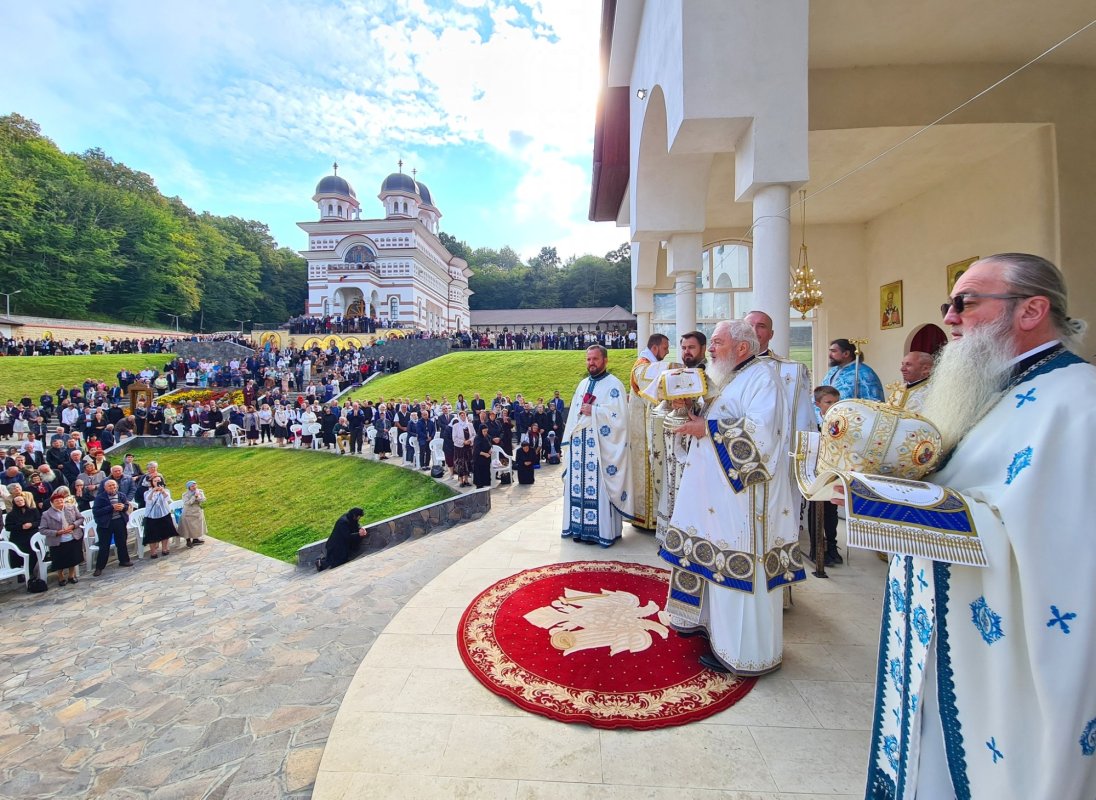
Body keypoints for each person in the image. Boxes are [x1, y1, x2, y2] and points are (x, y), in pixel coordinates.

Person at [851, 254, 1096, 798]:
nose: (950, 317)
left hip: (1002, 653)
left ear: (1031, 310)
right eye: (950, 303)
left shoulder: (1078, 403)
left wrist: (895, 506)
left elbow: (1064, 548)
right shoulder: (989, 388)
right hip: (943, 623)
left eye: (965, 302)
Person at [659, 320, 804, 675]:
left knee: (736, 570)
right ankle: (710, 629)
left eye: (717, 343)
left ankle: (743, 654)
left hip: (742, 504)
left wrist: (705, 428)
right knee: (710, 563)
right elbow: (721, 418)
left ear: (741, 347)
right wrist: (694, 415)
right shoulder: (732, 376)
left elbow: (762, 437)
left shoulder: (762, 378)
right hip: (716, 498)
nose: (710, 349)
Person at [560, 345, 632, 546]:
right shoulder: (582, 384)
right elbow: (574, 415)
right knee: (578, 487)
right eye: (588, 359)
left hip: (600, 450)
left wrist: (595, 410)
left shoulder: (614, 385)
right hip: (579, 450)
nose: (591, 363)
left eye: (595, 359)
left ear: (605, 360)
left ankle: (599, 532)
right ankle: (578, 528)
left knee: (598, 489)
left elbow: (620, 418)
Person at [627, 333, 671, 530]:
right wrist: (675, 369)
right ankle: (647, 517)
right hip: (643, 433)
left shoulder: (649, 365)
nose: (667, 352)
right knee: (646, 471)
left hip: (648, 429)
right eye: (665, 348)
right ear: (654, 348)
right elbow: (650, 383)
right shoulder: (642, 366)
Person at [806, 386, 841, 567]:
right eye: (828, 402)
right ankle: (817, 548)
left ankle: (832, 546)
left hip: (833, 470)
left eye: (836, 402)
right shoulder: (812, 422)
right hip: (816, 471)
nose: (833, 406)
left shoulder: (841, 422)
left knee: (831, 510)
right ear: (818, 403)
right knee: (816, 509)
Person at [40, 489, 85, 587]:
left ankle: (71, 575)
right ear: (52, 503)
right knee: (59, 561)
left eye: (61, 500)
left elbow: (81, 518)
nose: (60, 502)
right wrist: (57, 532)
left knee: (73, 558)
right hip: (57, 541)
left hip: (72, 537)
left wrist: (73, 525)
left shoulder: (71, 507)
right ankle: (60, 577)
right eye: (57, 501)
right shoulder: (46, 514)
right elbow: (42, 530)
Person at [91, 479, 134, 576]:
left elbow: (127, 506)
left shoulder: (121, 495)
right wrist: (111, 507)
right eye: (110, 486)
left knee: (122, 542)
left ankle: (124, 560)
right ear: (105, 488)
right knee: (104, 546)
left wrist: (123, 507)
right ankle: (99, 567)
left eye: (114, 485)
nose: (112, 487)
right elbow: (96, 512)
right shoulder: (100, 498)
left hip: (119, 521)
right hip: (105, 524)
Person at [4, 491, 40, 581]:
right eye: (18, 501)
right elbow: (8, 527)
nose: (20, 502)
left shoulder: (33, 511)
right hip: (18, 537)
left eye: (21, 500)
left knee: (33, 551)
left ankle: (30, 571)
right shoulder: (11, 515)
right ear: (14, 503)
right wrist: (21, 526)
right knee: (16, 553)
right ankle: (20, 573)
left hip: (32, 535)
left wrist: (31, 524)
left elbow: (39, 521)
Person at [142, 474, 177, 558]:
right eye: (155, 481)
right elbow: (148, 500)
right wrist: (153, 491)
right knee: (152, 534)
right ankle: (153, 552)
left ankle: (165, 549)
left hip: (164, 514)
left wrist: (162, 491)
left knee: (165, 532)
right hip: (152, 516)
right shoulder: (147, 492)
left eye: (158, 481)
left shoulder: (165, 491)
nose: (157, 482)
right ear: (152, 482)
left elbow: (167, 499)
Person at [178, 480, 207, 547]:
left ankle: (195, 539)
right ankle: (188, 541)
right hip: (188, 512)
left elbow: (203, 499)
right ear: (189, 487)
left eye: (195, 485)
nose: (194, 487)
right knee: (187, 527)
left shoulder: (200, 491)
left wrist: (198, 496)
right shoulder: (185, 494)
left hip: (197, 511)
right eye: (192, 486)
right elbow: (187, 503)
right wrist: (194, 497)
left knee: (196, 526)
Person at [451, 410, 474, 486]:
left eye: (464, 415)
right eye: (461, 415)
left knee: (467, 463)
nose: (463, 417)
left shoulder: (470, 425)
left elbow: (474, 435)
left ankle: (466, 480)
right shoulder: (456, 426)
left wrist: (470, 440)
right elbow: (454, 438)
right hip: (459, 448)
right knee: (460, 464)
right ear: (459, 417)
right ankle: (461, 481)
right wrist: (463, 442)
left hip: (468, 447)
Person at [472, 425, 494, 489]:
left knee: (486, 472)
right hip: (479, 459)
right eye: (484, 431)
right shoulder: (477, 438)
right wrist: (485, 454)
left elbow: (490, 444)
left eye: (486, 431)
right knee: (479, 474)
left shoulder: (487, 436)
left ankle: (486, 485)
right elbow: (476, 450)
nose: (485, 433)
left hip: (486, 459)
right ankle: (479, 487)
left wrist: (490, 450)